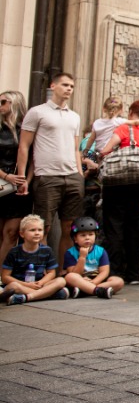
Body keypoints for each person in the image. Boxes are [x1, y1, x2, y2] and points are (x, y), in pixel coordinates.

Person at [16, 73, 84, 264]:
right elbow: (24, 145)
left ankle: (63, 271)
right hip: (47, 176)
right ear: (53, 86)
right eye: (65, 85)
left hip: (72, 176)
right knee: (41, 228)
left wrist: (79, 174)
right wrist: (22, 177)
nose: (69, 89)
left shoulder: (75, 116)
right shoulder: (37, 112)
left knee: (70, 227)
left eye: (72, 86)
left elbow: (76, 147)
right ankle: (41, 270)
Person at [96, 100, 139, 284]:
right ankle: (134, 274)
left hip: (116, 184)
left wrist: (98, 154)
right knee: (132, 229)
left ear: (131, 112)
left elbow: (106, 150)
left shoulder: (124, 128)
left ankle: (115, 271)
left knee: (114, 228)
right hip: (138, 184)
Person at [0, 214, 68, 305]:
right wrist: (27, 285)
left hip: (39, 284)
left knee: (61, 281)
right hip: (21, 285)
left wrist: (41, 282)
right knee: (13, 287)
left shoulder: (47, 250)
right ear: (22, 234)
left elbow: (51, 273)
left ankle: (27, 297)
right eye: (32, 230)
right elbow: (5, 277)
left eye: (40, 230)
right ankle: (48, 294)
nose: (37, 233)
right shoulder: (14, 252)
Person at [0, 90, 31, 266]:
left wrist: (27, 180)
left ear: (15, 104)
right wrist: (6, 176)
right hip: (2, 180)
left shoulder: (26, 129)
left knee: (12, 232)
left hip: (20, 185)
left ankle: (3, 275)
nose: (0, 106)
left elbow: (34, 158)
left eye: (3, 102)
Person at [62, 217, 124, 298]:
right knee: (70, 277)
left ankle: (85, 291)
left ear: (95, 236)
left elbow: (104, 272)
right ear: (75, 239)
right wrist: (82, 257)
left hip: (96, 280)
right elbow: (74, 273)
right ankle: (97, 290)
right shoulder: (70, 253)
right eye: (83, 235)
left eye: (91, 234)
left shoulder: (101, 251)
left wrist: (94, 282)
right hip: (80, 280)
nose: (87, 237)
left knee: (118, 281)